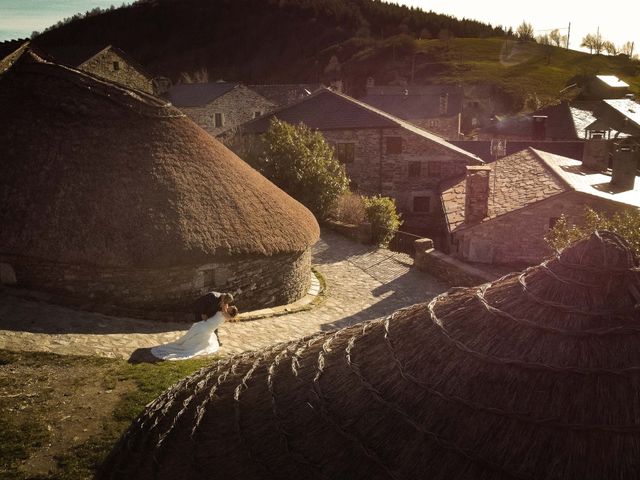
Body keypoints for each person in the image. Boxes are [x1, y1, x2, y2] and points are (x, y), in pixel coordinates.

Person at [150, 305, 239, 361]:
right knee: (195, 332)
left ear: (231, 312)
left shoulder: (226, 314)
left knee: (197, 334)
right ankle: (185, 343)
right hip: (207, 325)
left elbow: (224, 306)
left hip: (208, 326)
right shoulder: (226, 312)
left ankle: (186, 345)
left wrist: (225, 301)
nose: (229, 306)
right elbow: (225, 306)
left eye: (231, 308)